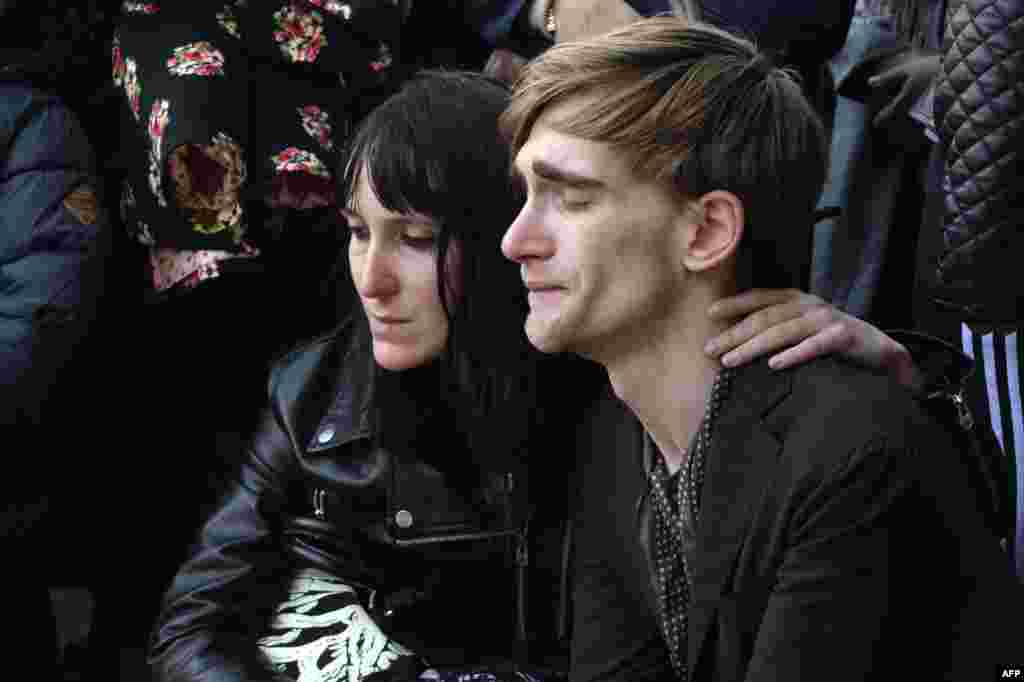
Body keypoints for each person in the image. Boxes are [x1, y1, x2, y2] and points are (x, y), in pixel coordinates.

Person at [147, 70, 933, 682]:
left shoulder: (610, 388)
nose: (372, 280)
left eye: (417, 239)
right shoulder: (315, 392)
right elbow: (194, 625)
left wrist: (901, 371)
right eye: (357, 233)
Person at [499, 16, 1022, 681]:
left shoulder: (852, 454)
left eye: (570, 199)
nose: (516, 241)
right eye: (527, 197)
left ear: (708, 231)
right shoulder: (619, 437)